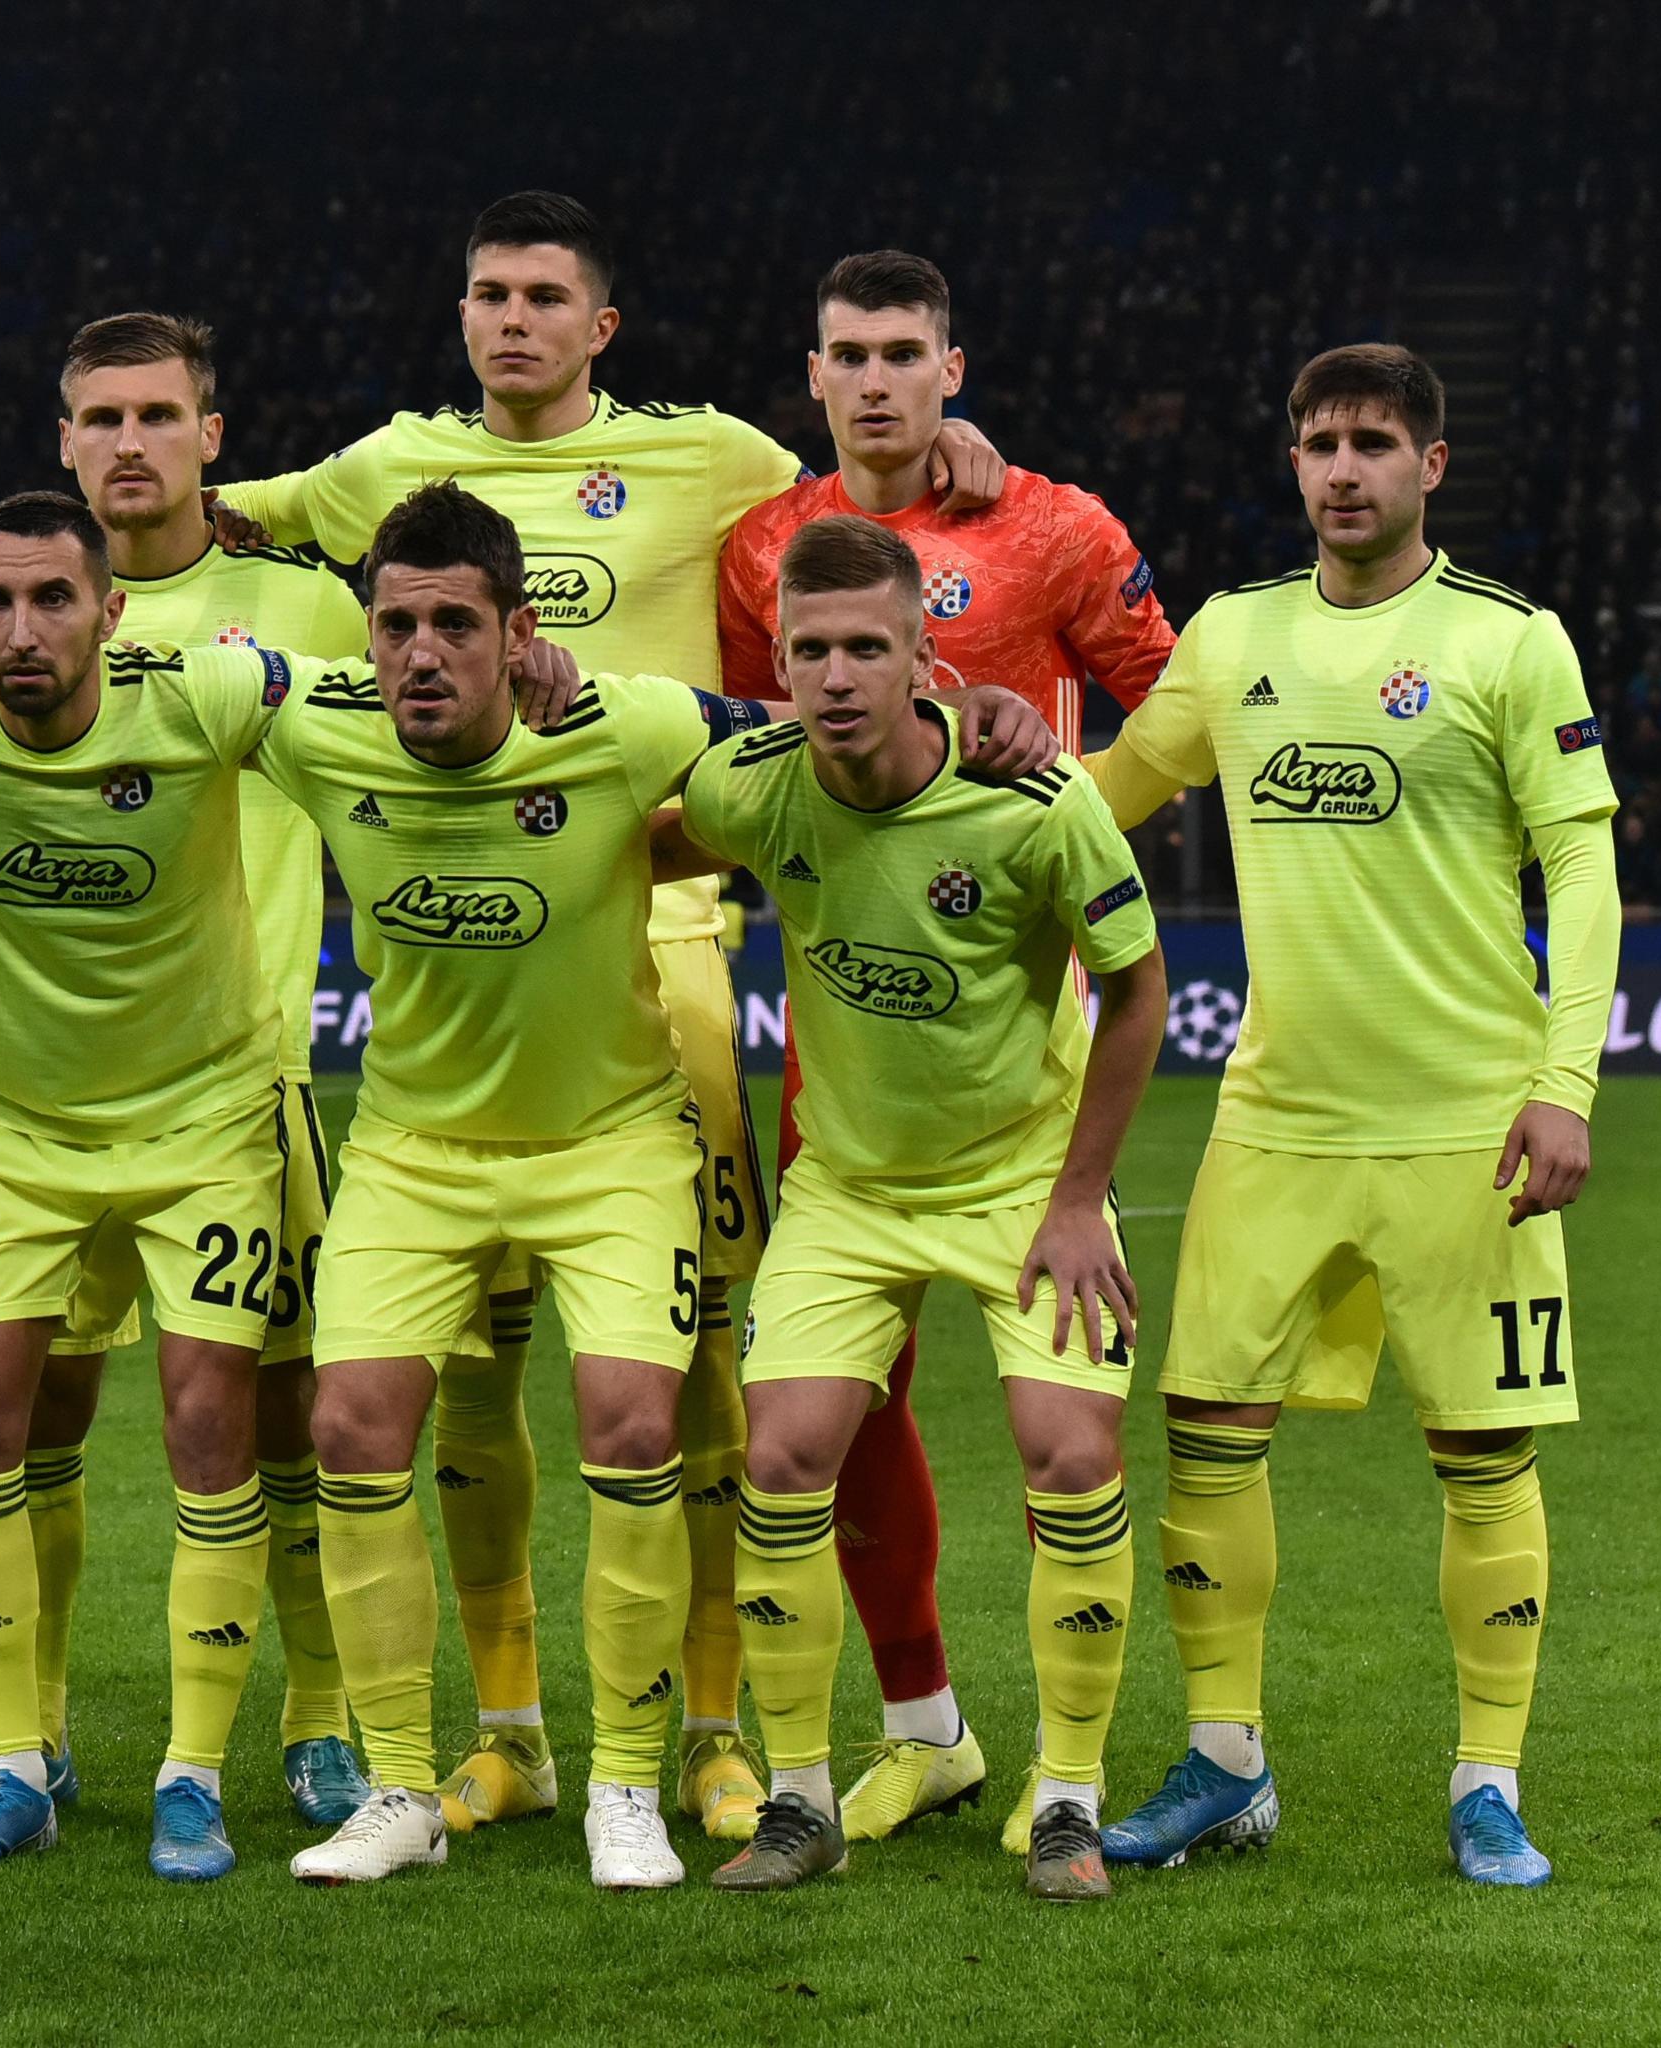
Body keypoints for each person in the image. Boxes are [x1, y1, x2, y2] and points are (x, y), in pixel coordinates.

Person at [216, 192, 1010, 1843]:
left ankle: (706, 1730)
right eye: (486, 293)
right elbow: (189, 510)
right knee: (476, 1371)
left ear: (601, 327)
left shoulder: (706, 451)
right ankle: (502, 1729)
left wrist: (957, 454)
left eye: (542, 297)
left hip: (664, 940)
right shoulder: (382, 467)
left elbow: (855, 476)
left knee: (695, 1365)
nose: (510, 320)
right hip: (467, 955)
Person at [1079, 344, 1621, 1887]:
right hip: (1279, 1116)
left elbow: (1580, 871)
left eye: (1374, 441)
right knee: (1204, 1430)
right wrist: (962, 754)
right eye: (1319, 441)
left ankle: (1487, 1781)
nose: (1342, 467)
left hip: (1469, 1123)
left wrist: (1562, 1083)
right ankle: (1226, 1761)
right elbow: (1116, 784)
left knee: (1484, 1449)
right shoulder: (1237, 635)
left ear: (1430, 466)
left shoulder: (1512, 643)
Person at [712, 249, 1178, 1845]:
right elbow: (731, 746)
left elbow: (1176, 708)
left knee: (1052, 1438)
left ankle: (1060, 1778)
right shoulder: (766, 542)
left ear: (953, 366)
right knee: (834, 1426)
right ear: (817, 373)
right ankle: (918, 1731)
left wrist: (1062, 782)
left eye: (906, 349)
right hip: (833, 1081)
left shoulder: (1051, 525)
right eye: (850, 352)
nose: (878, 378)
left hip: (1006, 1041)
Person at [0, 493, 335, 1882]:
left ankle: (194, 1777)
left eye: (53, 600)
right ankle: (18, 1772)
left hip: (210, 1124)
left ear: (112, 611)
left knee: (207, 1422)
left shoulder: (206, 694)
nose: (22, 630)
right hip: (21, 1138)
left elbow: (374, 704)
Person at [0, 310, 378, 1831]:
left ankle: (318, 1723)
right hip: (46, 1095)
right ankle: (32, 1741)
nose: (128, 441)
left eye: (156, 414)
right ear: (62, 440)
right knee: (29, 1416)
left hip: (241, 1081)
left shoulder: (304, 604)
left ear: (213, 434)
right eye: (98, 418)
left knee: (274, 1414)